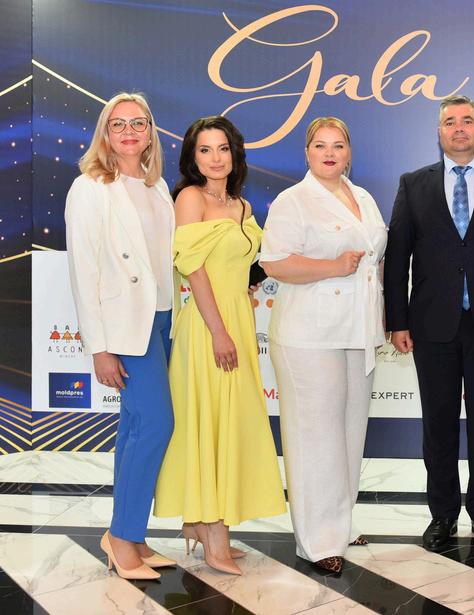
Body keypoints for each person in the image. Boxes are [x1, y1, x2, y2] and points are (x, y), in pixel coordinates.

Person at [385, 95, 474, 553]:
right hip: (432, 326)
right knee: (438, 426)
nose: (459, 128)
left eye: (467, 121)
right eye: (450, 122)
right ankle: (442, 514)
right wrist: (397, 320)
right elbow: (398, 256)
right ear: (439, 131)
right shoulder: (413, 184)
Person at [153, 116, 286, 576]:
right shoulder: (190, 198)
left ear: (235, 153)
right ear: (193, 157)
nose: (215, 158)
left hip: (239, 322)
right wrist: (218, 331)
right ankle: (213, 537)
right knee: (208, 423)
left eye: (223, 148)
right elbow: (194, 269)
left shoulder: (243, 205)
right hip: (209, 327)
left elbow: (246, 263)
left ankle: (203, 523)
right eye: (205, 150)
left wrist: (246, 287)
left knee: (229, 424)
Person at [260, 117, 387, 574]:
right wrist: (333, 267)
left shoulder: (364, 197)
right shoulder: (293, 200)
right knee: (315, 436)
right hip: (309, 335)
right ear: (307, 153)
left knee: (350, 431)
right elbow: (274, 263)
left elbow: (376, 259)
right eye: (320, 145)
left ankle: (340, 522)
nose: (329, 153)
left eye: (337, 145)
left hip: (358, 330)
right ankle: (316, 541)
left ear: (349, 152)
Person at [65, 92, 176, 580]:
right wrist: (99, 347)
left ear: (150, 132)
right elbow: (83, 272)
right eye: (118, 124)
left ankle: (131, 534)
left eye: (138, 123)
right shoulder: (90, 188)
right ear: (105, 134)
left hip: (164, 319)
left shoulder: (159, 187)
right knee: (156, 425)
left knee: (133, 429)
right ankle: (121, 536)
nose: (129, 132)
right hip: (125, 328)